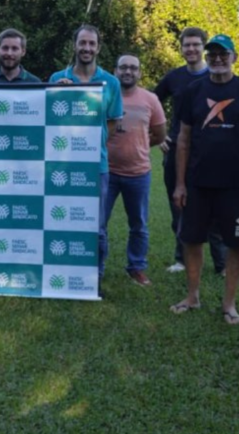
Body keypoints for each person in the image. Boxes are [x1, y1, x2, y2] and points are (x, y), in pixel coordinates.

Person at [171, 34, 239, 324]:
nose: (218, 59)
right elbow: (183, 140)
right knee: (191, 239)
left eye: (224, 54)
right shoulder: (193, 91)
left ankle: (229, 304)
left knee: (234, 244)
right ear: (207, 58)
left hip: (235, 185)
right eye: (213, 55)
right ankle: (192, 296)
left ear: (234, 57)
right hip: (197, 182)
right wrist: (180, 183)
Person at [50, 25, 124, 278]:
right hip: (60, 166)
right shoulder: (57, 78)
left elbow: (113, 123)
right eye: (82, 43)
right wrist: (55, 93)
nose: (87, 48)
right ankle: (61, 269)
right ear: (75, 45)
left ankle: (95, 275)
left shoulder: (110, 83)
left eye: (92, 43)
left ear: (98, 47)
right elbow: (46, 120)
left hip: (96, 166)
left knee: (97, 226)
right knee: (59, 221)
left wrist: (92, 145)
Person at [154, 26, 224, 274]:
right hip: (176, 151)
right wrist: (159, 136)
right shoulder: (174, 78)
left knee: (214, 208)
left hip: (208, 152)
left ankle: (221, 264)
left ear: (203, 48)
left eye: (196, 44)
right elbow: (152, 103)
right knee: (178, 205)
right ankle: (181, 259)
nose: (191, 49)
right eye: (187, 45)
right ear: (181, 48)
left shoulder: (216, 76)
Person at [107, 54, 167, 287]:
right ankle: (95, 267)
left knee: (139, 224)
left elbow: (160, 134)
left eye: (133, 68)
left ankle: (136, 268)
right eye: (123, 67)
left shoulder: (150, 99)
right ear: (115, 71)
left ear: (140, 73)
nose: (128, 71)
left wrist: (140, 144)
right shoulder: (105, 95)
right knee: (98, 223)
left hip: (138, 173)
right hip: (107, 173)